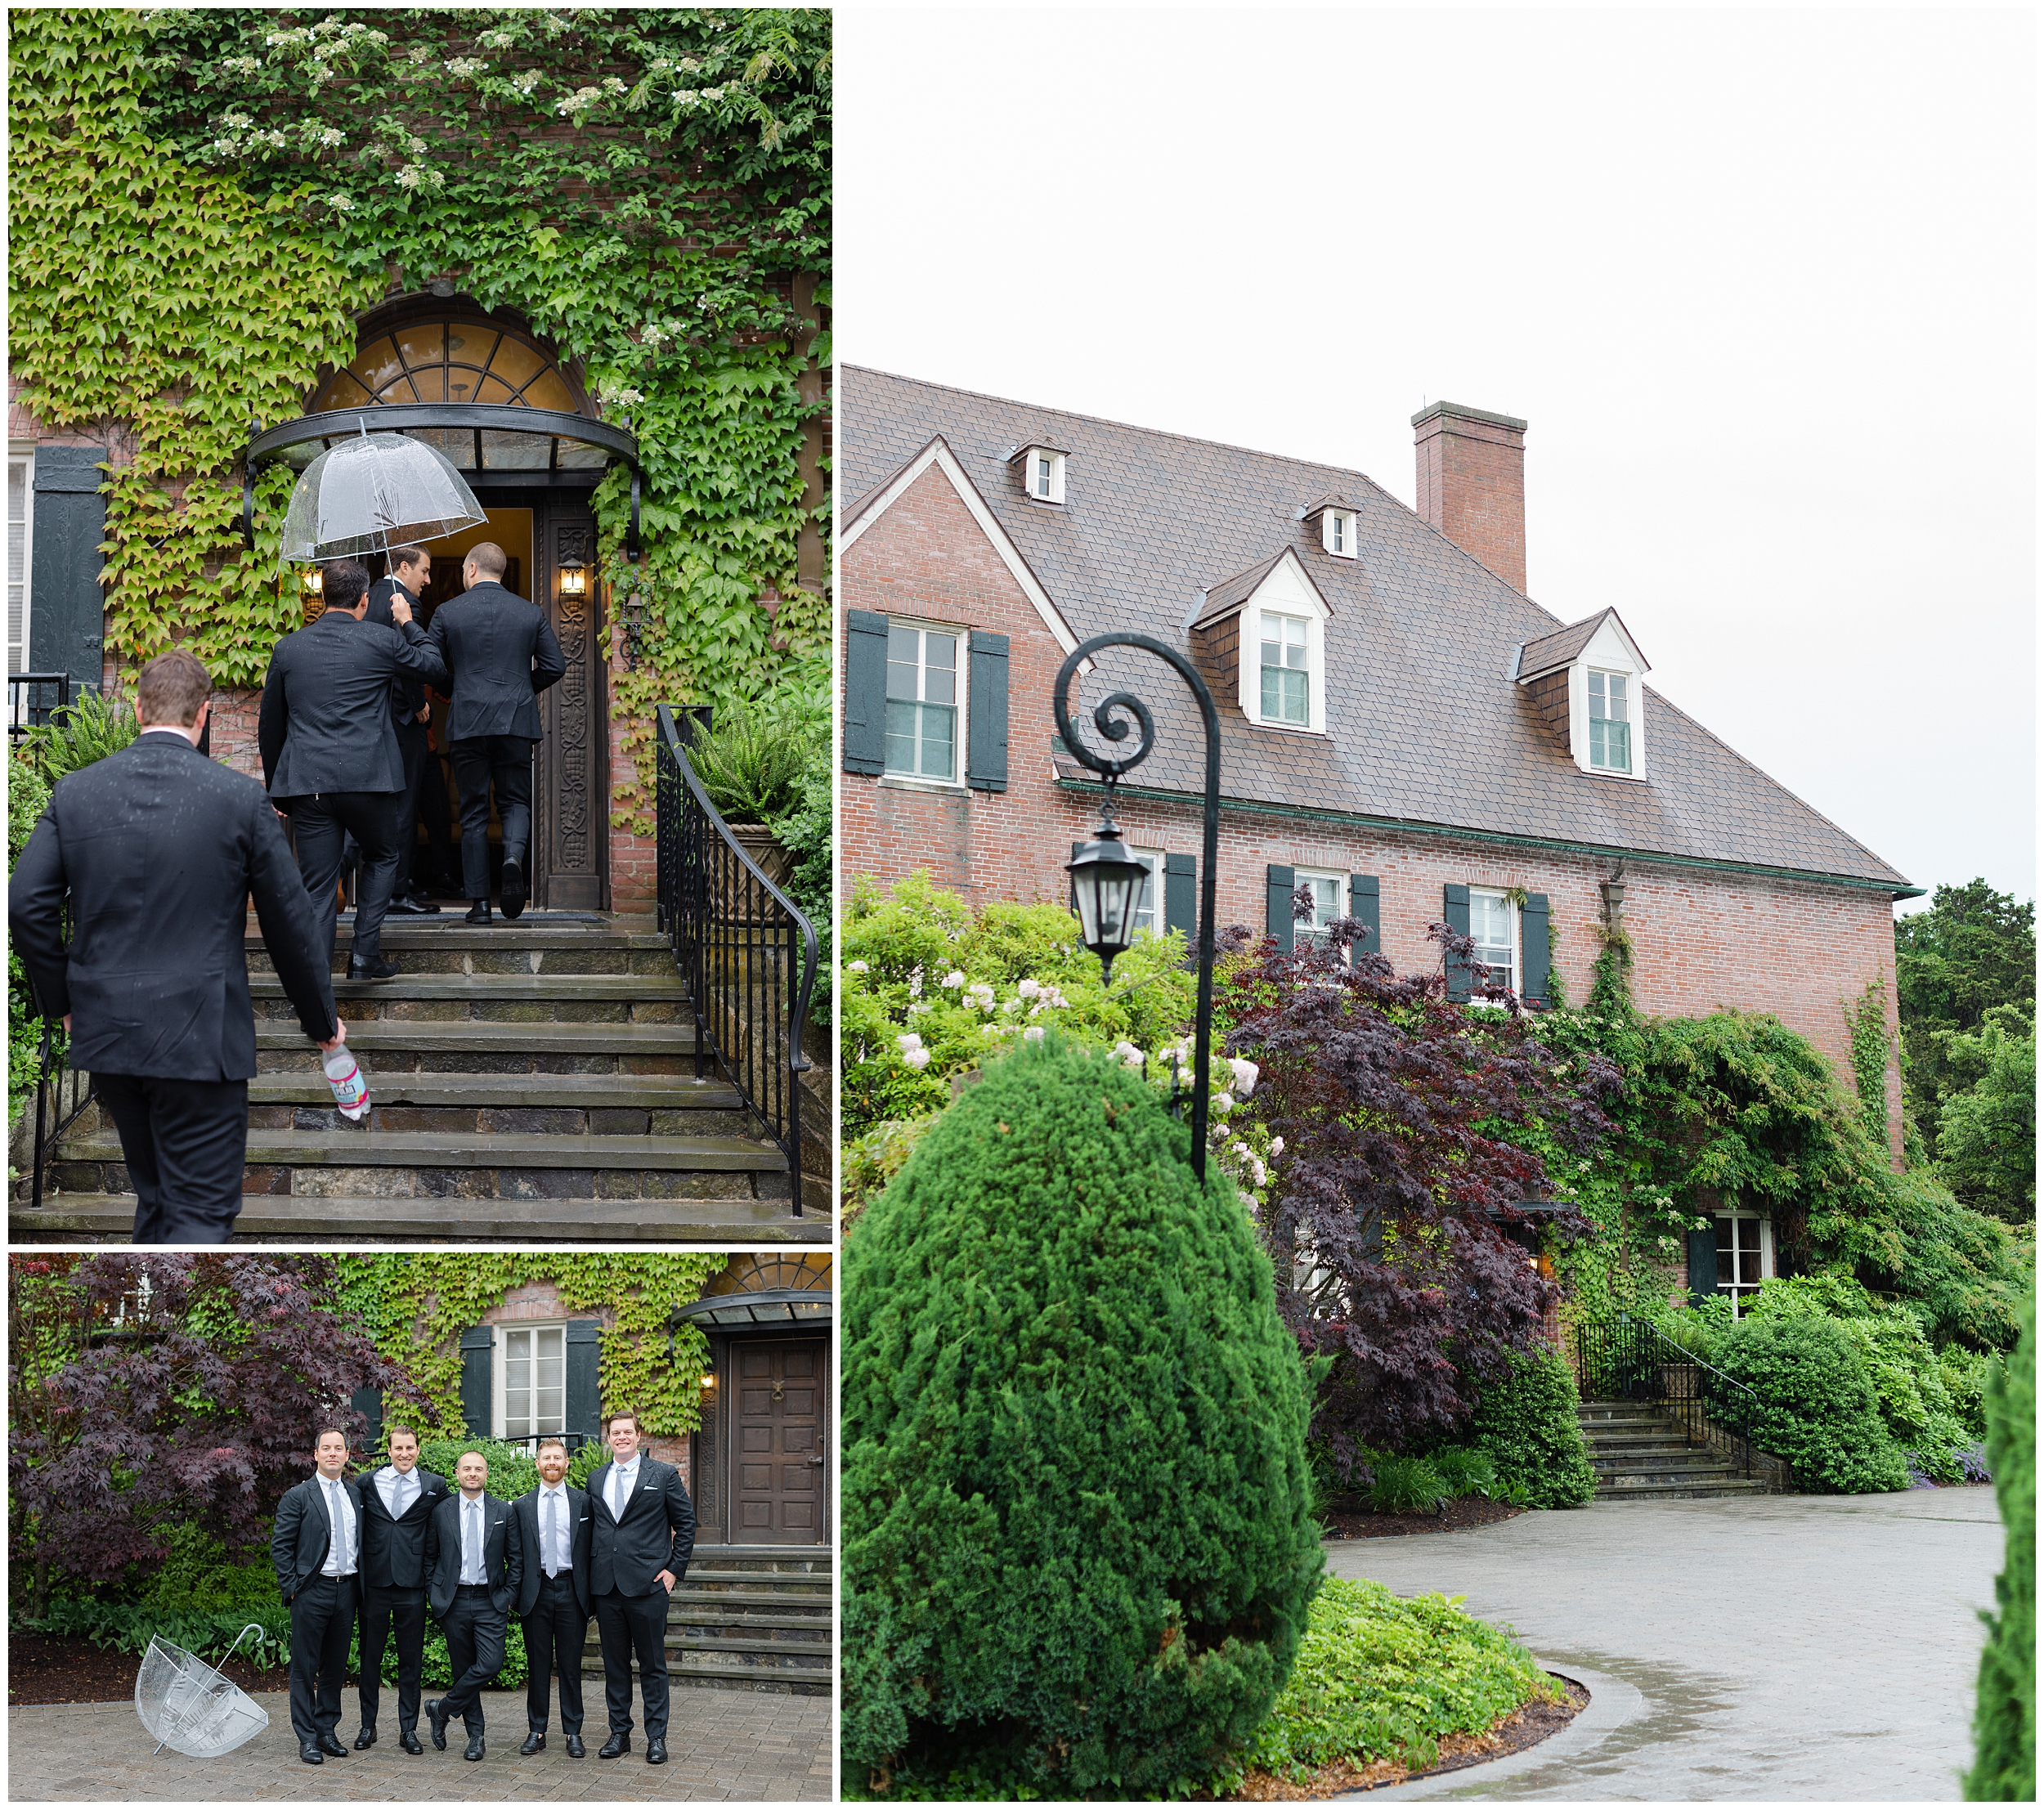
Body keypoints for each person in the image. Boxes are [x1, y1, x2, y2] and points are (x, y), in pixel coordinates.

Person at [8, 648, 343, 1243]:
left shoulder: (77, 793)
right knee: (201, 1214)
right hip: (199, 1037)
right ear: (205, 714)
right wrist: (322, 1023)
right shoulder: (241, 800)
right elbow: (290, 921)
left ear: (137, 708)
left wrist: (62, 1002)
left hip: (108, 1035)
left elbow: (25, 903)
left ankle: (144, 1330)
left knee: (160, 1200)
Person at [258, 555, 449, 979]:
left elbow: (270, 724)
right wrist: (406, 621)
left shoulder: (289, 649)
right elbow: (435, 666)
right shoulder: (382, 640)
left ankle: (315, 979)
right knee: (383, 855)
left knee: (319, 886)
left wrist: (277, 788)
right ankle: (364, 956)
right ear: (365, 600)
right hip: (370, 780)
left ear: (324, 597)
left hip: (309, 785)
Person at [426, 541, 565, 923]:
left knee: (472, 811)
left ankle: (480, 905)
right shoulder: (529, 612)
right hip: (516, 721)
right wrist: (520, 690)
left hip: (468, 722)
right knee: (515, 802)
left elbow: (430, 666)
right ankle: (512, 858)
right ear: (499, 572)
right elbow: (555, 666)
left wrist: (457, 688)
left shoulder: (447, 612)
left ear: (470, 569)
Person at [585, 1409, 694, 1765]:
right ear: (609, 1438)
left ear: (638, 1436)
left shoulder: (662, 1475)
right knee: (615, 1667)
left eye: (627, 1432)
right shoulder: (595, 1479)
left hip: (649, 1586)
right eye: (615, 1432)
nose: (621, 1437)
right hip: (607, 1587)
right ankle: (619, 1734)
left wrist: (673, 1571)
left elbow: (686, 1524)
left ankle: (656, 1738)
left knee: (652, 1666)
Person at [353, 1423, 448, 1754]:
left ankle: (408, 1730)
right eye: (398, 1448)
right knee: (370, 1660)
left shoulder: (435, 1485)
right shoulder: (366, 1482)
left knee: (411, 1662)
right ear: (389, 1450)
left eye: (410, 1448)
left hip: (412, 1585)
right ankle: (368, 1726)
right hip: (374, 1584)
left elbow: (445, 1529)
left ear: (418, 1450)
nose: (404, 1454)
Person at [272, 1427, 364, 1766]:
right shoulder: (298, 1496)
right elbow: (281, 1546)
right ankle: (307, 1737)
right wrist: (293, 1587)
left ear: (347, 1456)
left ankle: (327, 1731)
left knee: (335, 1667)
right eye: (326, 1448)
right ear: (315, 1455)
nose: (332, 1454)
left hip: (347, 1590)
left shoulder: (354, 1495)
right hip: (312, 1590)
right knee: (304, 1667)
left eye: (338, 1449)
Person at [424, 1450, 522, 1762]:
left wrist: (507, 1596)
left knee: (490, 1664)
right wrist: (433, 1591)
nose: (472, 1473)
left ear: (486, 1474)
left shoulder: (503, 1511)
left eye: (478, 1469)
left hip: (490, 1600)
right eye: (467, 1468)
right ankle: (475, 1737)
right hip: (453, 1600)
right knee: (463, 1669)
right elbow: (429, 1556)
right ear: (457, 1473)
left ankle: (441, 1709)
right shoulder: (442, 1511)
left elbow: (517, 1559)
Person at [365, 545, 440, 916]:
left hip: (368, 718)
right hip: (401, 719)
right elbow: (409, 661)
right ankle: (397, 893)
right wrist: (418, 705)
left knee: (374, 803)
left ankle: (375, 888)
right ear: (404, 566)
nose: (427, 580)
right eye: (424, 571)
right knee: (404, 806)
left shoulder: (365, 598)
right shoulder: (405, 602)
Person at [513, 1436, 594, 1757]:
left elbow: (592, 1550)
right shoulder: (521, 1506)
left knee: (571, 1666)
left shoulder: (584, 1503)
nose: (552, 1463)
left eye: (557, 1458)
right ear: (537, 1464)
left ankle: (573, 1732)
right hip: (536, 1593)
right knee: (538, 1665)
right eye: (546, 1458)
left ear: (566, 1462)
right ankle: (537, 1730)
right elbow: (515, 1555)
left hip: (572, 1590)